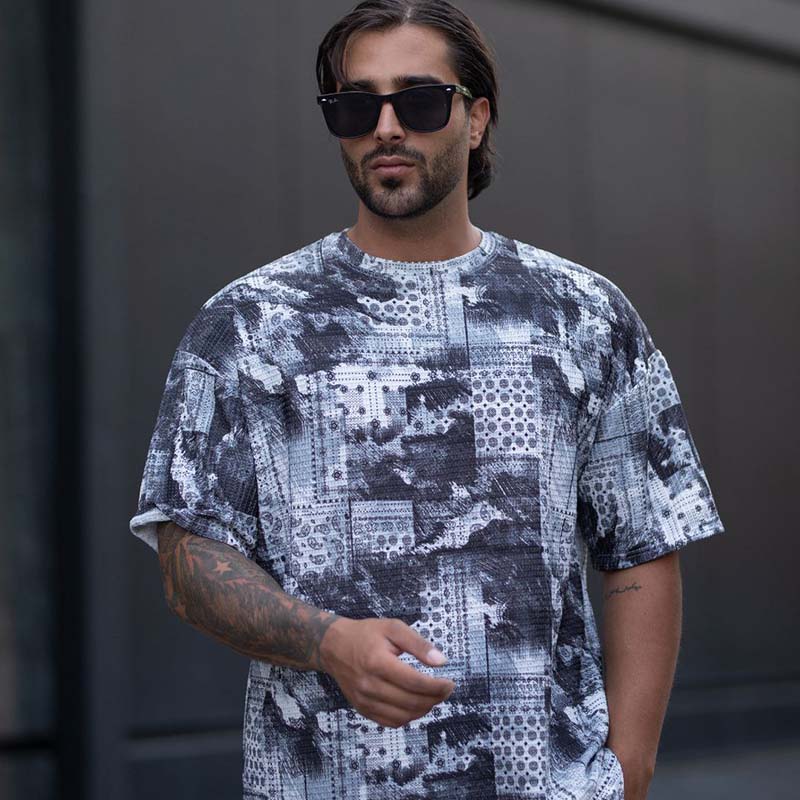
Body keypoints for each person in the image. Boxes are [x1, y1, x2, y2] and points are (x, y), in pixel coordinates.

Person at [128, 2, 726, 798]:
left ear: (476, 119)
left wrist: (631, 767)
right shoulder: (250, 325)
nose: (385, 127)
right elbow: (187, 554)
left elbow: (643, 541)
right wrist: (326, 641)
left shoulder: (581, 315)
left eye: (418, 100)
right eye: (355, 105)